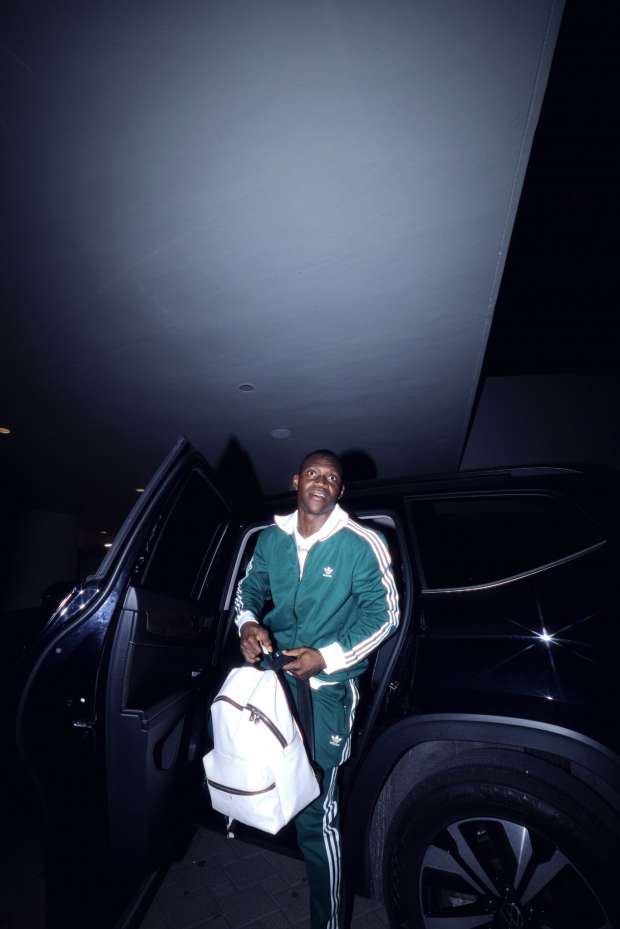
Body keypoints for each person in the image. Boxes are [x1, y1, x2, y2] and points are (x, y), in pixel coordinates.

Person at [234, 449, 400, 929]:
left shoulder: (361, 543)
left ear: (340, 490)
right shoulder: (270, 539)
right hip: (275, 684)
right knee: (272, 779)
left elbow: (385, 614)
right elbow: (248, 590)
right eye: (313, 473)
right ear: (296, 481)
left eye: (331, 477)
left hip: (327, 690)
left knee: (316, 812)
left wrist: (325, 657)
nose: (321, 482)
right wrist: (248, 625)